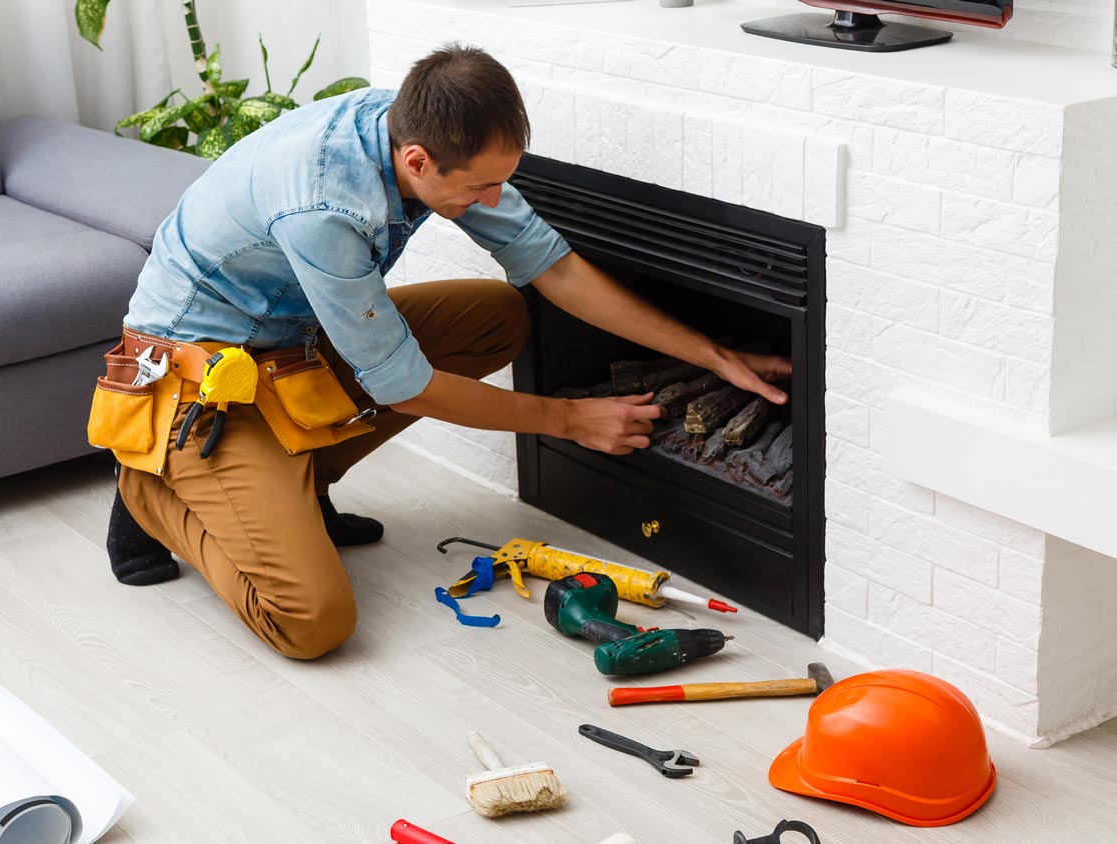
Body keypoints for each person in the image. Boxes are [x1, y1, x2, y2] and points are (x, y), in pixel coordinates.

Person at [102, 44, 789, 659]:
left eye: (500, 181)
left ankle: (297, 483)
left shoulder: (417, 126)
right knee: (312, 622)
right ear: (418, 162)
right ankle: (150, 492)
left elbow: (553, 269)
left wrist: (713, 355)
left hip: (290, 351)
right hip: (201, 386)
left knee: (494, 316)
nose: (494, 201)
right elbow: (402, 384)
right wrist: (570, 420)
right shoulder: (323, 206)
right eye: (479, 190)